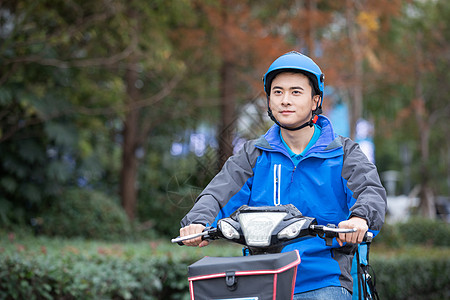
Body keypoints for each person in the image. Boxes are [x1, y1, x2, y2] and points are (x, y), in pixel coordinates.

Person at [179, 51, 386, 299]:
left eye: (295, 92)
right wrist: (198, 221)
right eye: (277, 92)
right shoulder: (253, 153)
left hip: (323, 278)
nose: (285, 100)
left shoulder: (343, 153)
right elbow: (219, 192)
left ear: (315, 100)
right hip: (262, 278)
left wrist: (360, 219)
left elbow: (370, 191)